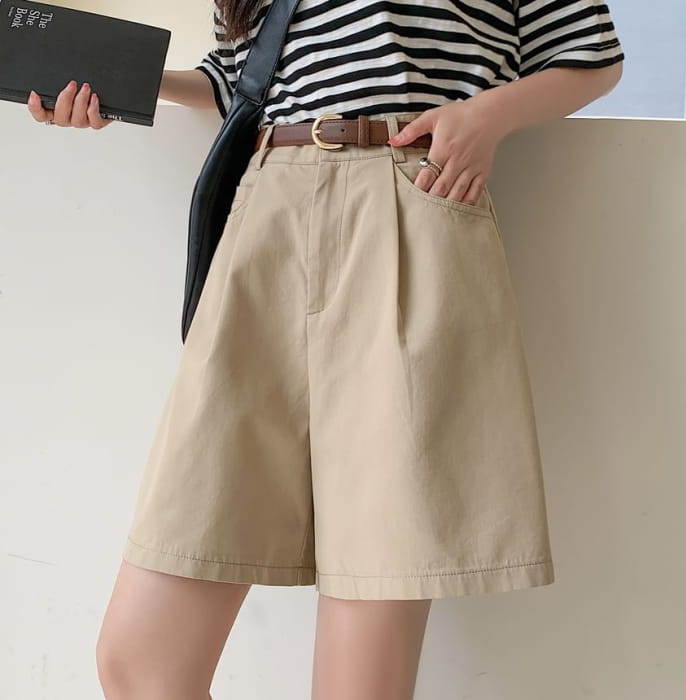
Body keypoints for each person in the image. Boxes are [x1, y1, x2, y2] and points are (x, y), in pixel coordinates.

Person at [29, 1, 624, 698]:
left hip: (408, 200)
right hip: (267, 214)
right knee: (139, 662)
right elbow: (241, 79)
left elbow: (591, 56)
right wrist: (112, 84)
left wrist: (486, 116)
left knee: (360, 672)